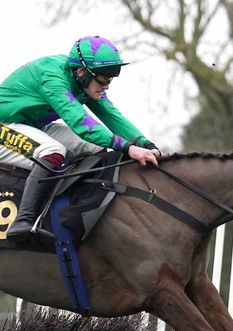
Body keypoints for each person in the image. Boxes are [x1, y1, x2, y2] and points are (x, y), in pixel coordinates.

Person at [0, 35, 160, 243]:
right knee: (52, 151)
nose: (106, 86)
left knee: (96, 148)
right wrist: (128, 148)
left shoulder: (82, 80)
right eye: (103, 79)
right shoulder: (52, 76)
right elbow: (81, 124)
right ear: (81, 71)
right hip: (4, 126)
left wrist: (146, 144)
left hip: (33, 125)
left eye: (110, 79)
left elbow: (112, 116)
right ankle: (23, 221)